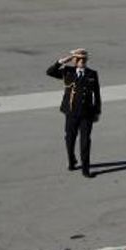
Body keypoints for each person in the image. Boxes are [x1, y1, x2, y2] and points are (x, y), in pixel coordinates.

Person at [46, 48, 102, 178]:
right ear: (75, 60)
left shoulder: (92, 74)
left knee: (85, 141)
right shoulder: (68, 71)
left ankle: (85, 169)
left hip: (87, 113)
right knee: (70, 139)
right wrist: (63, 61)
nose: (82, 61)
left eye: (84, 59)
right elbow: (50, 72)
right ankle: (72, 160)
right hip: (71, 112)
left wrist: (97, 111)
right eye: (79, 59)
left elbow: (97, 94)